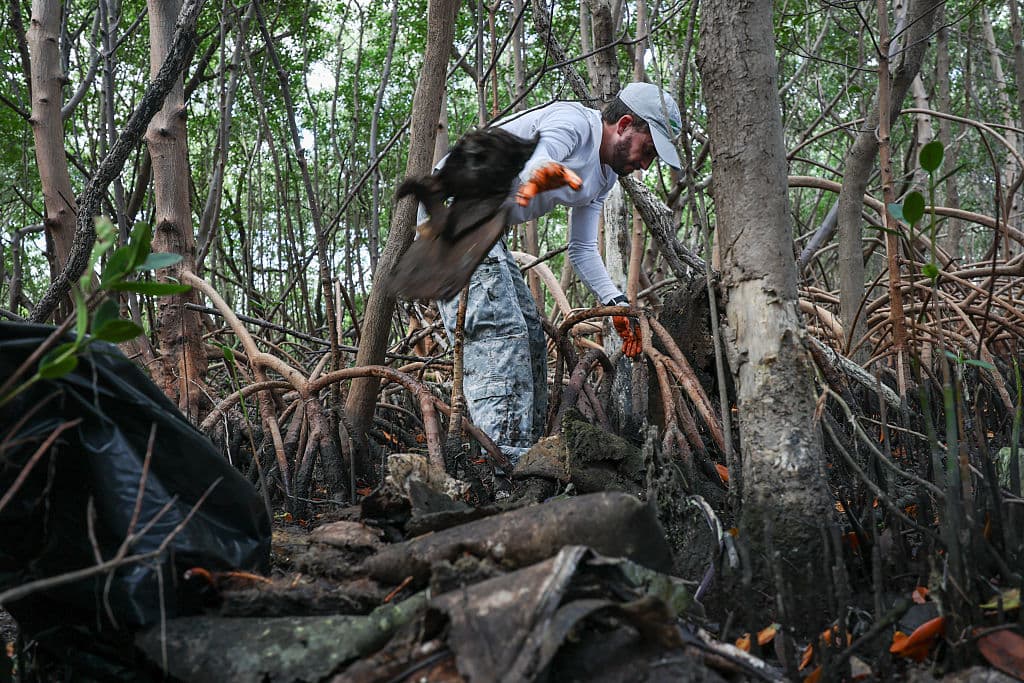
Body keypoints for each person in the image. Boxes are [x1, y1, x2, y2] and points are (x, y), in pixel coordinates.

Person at [435, 82, 683, 468]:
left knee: (532, 337)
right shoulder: (574, 123)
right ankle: (502, 471)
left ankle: (527, 461)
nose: (645, 165)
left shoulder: (606, 177)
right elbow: (537, 162)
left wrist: (615, 304)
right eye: (647, 150)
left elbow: (582, 250)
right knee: (503, 336)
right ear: (625, 124)